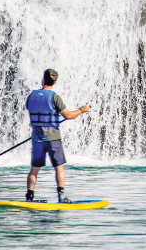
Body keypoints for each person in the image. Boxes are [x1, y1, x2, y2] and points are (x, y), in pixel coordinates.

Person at [25, 68, 90, 203]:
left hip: (37, 138)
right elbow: (68, 115)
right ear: (54, 82)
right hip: (53, 137)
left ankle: (29, 196)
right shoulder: (54, 97)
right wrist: (81, 110)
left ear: (43, 80)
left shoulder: (31, 96)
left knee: (34, 169)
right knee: (58, 167)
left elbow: (31, 110)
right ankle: (61, 196)